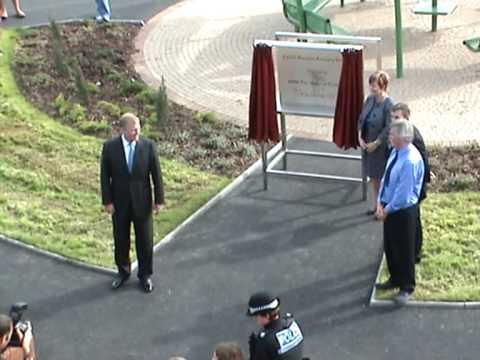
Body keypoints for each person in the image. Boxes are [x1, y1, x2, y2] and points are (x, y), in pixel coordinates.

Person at [100, 113, 165, 293]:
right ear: (122, 130)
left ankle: (145, 275)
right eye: (133, 130)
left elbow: (156, 175)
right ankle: (123, 272)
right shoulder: (110, 148)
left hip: (142, 202)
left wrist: (159, 200)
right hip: (119, 203)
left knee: (145, 240)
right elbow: (105, 176)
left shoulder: (148, 146)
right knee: (121, 239)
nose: (137, 132)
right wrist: (107, 202)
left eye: (138, 128)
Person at [375, 119, 425, 305]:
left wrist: (386, 209)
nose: (389, 136)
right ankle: (394, 278)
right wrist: (380, 202)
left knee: (404, 249)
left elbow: (403, 194)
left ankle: (406, 286)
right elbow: (386, 178)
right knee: (391, 245)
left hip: (403, 211)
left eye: (392, 134)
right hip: (389, 206)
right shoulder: (396, 152)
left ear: (403, 137)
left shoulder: (410, 160)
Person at [391, 103, 431, 263]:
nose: (393, 120)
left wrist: (422, 183)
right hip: (403, 185)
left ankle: (415, 252)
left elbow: (423, 159)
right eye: (392, 117)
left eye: (397, 117)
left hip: (413, 187)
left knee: (413, 221)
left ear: (406, 117)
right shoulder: (397, 133)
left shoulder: (413, 135)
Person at [358, 70, 394, 218]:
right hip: (368, 145)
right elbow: (362, 118)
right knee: (373, 178)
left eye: (375, 85)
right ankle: (377, 205)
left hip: (380, 148)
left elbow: (388, 127)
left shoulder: (388, 105)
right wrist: (360, 136)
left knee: (380, 178)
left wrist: (377, 142)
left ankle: (383, 207)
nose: (372, 88)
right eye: (371, 85)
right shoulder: (370, 100)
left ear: (383, 86)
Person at [247, 292, 304, 360]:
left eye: (257, 316)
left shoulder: (265, 341)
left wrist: (256, 350)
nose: (256, 319)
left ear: (267, 315)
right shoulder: (291, 323)